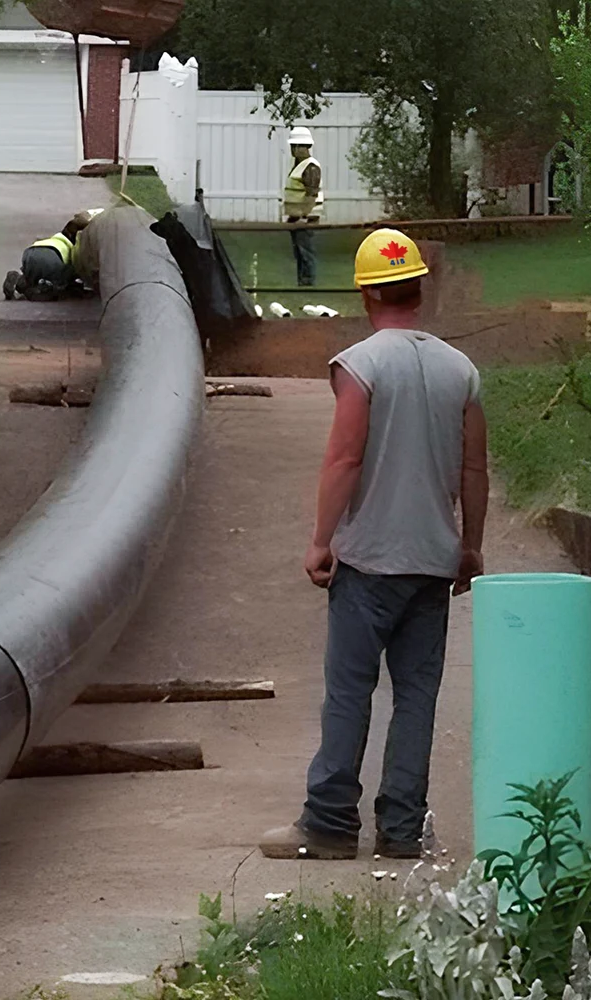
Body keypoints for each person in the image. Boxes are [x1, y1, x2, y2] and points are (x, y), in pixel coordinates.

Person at [260, 228, 489, 861]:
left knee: (350, 691)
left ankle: (330, 823)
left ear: (366, 295)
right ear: (419, 288)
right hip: (432, 564)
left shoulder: (360, 365)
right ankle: (401, 830)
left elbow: (345, 457)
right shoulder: (460, 370)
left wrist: (320, 540)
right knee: (417, 696)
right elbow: (475, 469)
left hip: (367, 561)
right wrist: (470, 546)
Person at [3, 208, 104, 302]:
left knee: (32, 276)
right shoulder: (80, 239)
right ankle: (40, 290)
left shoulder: (61, 236)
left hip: (31, 252)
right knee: (65, 285)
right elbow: (79, 262)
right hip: (53, 259)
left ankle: (17, 281)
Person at [282, 126, 324, 287]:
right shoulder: (300, 165)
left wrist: (303, 216)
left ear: (304, 147)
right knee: (299, 251)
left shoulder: (311, 166)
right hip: (297, 216)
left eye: (296, 146)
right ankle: (302, 281)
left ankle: (308, 281)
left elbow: (311, 195)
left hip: (305, 217)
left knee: (306, 251)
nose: (293, 150)